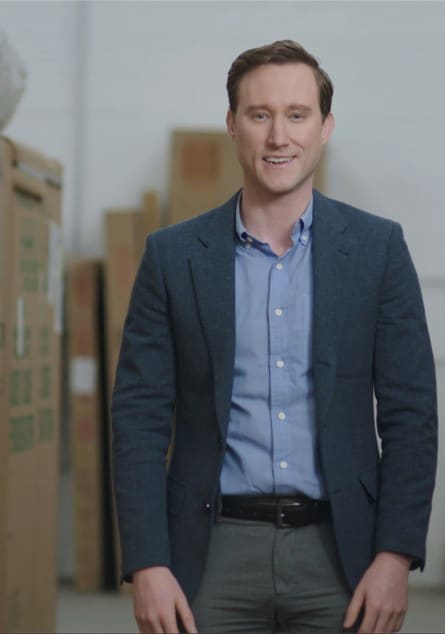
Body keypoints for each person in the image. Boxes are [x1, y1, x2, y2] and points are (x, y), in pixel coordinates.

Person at [112, 40, 437, 634]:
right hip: (209, 554)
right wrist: (148, 562)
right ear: (233, 126)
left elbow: (411, 414)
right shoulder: (173, 256)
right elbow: (138, 419)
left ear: (325, 126)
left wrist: (394, 555)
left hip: (341, 554)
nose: (278, 136)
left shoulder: (376, 250)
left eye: (297, 115)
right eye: (260, 115)